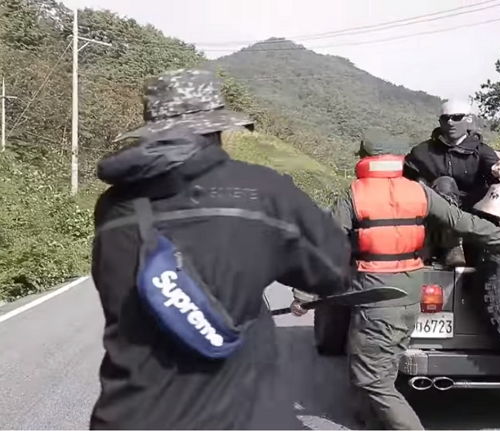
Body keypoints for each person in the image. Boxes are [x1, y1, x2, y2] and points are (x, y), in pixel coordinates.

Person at [89, 68, 351, 429]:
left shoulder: (112, 206)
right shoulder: (264, 192)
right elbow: (333, 270)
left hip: (128, 417)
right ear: (216, 128)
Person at [292, 128, 500, 430]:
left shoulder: (355, 195)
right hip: (409, 295)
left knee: (371, 379)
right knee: (382, 367)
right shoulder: (419, 191)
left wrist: (303, 295)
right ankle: (369, 421)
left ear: (366, 159)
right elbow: (464, 222)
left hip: (377, 297)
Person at [403, 99, 500, 266]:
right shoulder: (423, 152)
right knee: (444, 183)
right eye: (446, 118)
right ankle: (450, 246)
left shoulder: (481, 151)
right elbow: (406, 176)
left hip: (474, 211)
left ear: (468, 120)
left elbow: (495, 170)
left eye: (457, 117)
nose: (451, 122)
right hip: (438, 215)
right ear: (440, 121)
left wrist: (498, 171)